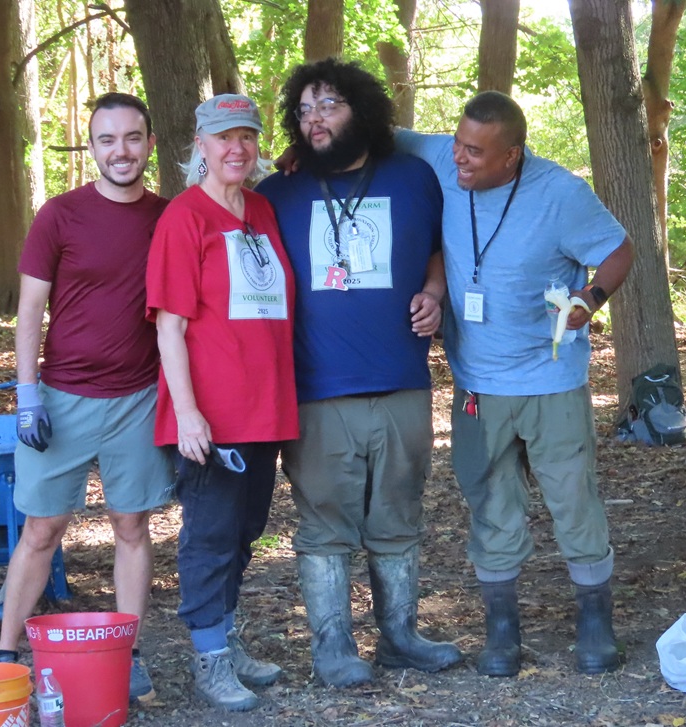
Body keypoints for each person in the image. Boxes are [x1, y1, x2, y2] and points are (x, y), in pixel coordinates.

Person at [393, 91, 634, 676]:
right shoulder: (441, 158)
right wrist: (308, 153)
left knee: (572, 498)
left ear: (512, 155)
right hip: (478, 384)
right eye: (456, 143)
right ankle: (502, 628)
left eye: (475, 151)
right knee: (491, 501)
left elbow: (619, 251)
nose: (459, 159)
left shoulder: (560, 194)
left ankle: (595, 620)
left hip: (550, 380)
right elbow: (376, 136)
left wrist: (590, 297)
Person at [254, 58, 460, 688]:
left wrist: (435, 290)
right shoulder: (276, 193)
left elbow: (437, 248)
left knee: (398, 512)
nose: (315, 119)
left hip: (401, 381)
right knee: (325, 520)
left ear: (363, 111)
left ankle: (400, 636)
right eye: (306, 109)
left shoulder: (413, 176)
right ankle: (333, 647)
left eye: (331, 105)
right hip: (317, 389)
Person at [0, 92, 175, 705]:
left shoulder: (168, 217)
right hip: (61, 398)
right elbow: (29, 309)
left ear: (149, 142)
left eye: (132, 138)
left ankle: (130, 654)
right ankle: (5, 652)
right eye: (107, 139)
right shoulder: (60, 215)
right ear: (92, 146)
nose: (120, 151)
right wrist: (26, 394)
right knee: (41, 529)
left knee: (131, 525)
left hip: (138, 397)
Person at [146, 94, 298, 712]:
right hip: (210, 414)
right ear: (200, 147)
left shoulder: (261, 209)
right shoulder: (185, 218)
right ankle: (208, 658)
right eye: (223, 137)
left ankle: (225, 638)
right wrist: (187, 413)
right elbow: (169, 327)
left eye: (247, 136)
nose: (236, 147)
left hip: (266, 406)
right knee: (210, 534)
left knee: (245, 531)